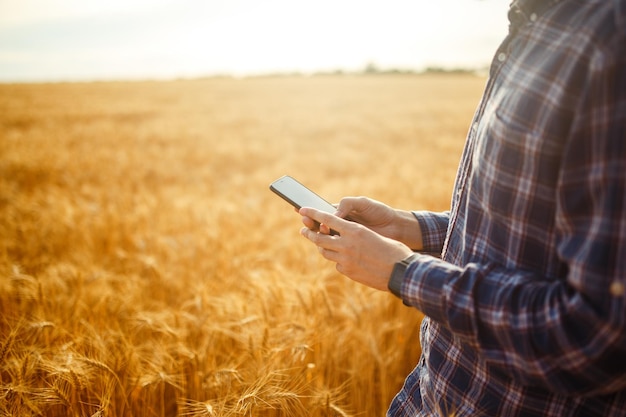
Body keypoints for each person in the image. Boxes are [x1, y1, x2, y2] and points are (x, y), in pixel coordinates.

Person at [298, 0, 626, 415]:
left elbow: (597, 338)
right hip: (432, 394)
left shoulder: (611, 37)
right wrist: (410, 228)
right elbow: (531, 233)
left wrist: (405, 272)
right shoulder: (538, 22)